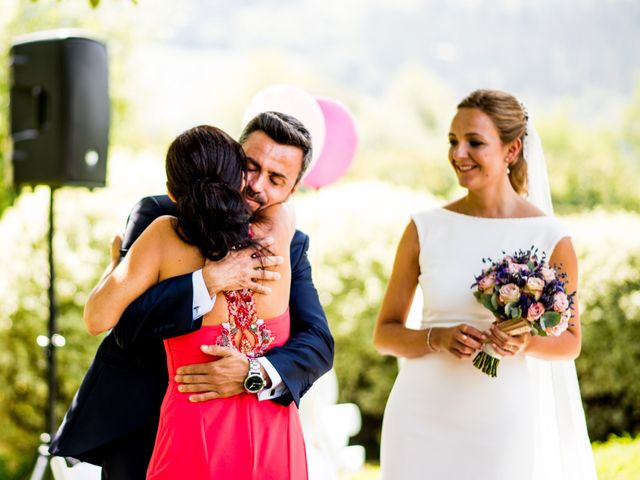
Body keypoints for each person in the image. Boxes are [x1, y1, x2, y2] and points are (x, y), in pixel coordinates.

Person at [49, 112, 334, 479]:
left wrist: (255, 373)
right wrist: (205, 281)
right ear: (232, 156)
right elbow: (124, 324)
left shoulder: (289, 242)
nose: (256, 185)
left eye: (276, 179)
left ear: (291, 191)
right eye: (249, 166)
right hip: (142, 424)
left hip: (252, 431)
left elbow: (317, 343)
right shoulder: (160, 215)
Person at [373, 89, 596, 480]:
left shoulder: (551, 238)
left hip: (500, 420)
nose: (459, 154)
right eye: (453, 141)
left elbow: (570, 341)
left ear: (512, 151)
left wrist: (525, 341)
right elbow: (384, 334)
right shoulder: (425, 228)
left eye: (474, 142)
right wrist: (436, 338)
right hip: (419, 416)